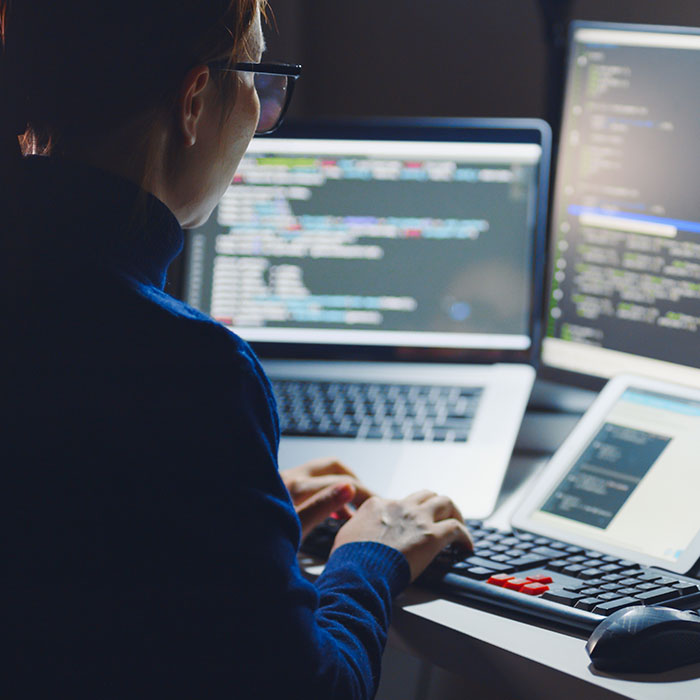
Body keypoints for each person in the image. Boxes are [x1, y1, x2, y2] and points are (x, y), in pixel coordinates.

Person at [1, 1, 473, 697]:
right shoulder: (187, 369)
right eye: (256, 80)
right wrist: (370, 556)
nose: (260, 113)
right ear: (194, 100)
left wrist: (234, 512)